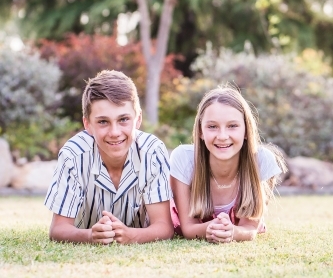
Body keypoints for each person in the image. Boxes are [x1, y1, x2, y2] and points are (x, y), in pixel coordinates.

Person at [44, 70, 173, 245]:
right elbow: (58, 229)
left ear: (138, 119)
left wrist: (131, 236)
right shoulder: (73, 155)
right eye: (103, 122)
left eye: (124, 119)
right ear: (87, 124)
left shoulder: (153, 153)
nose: (114, 133)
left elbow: (164, 226)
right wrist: (90, 236)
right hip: (87, 230)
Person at [170, 86, 286, 243]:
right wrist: (209, 229)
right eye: (212, 126)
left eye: (232, 126)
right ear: (200, 131)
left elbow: (249, 229)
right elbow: (188, 228)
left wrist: (233, 232)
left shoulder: (262, 161)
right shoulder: (184, 159)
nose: (222, 136)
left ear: (246, 130)